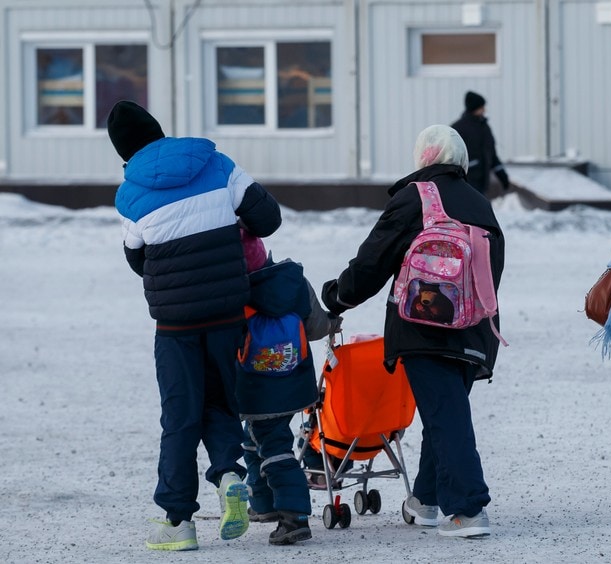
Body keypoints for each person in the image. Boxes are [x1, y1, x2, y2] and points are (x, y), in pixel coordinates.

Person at [108, 100, 282, 551]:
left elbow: (139, 260)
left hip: (175, 324)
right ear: (160, 132)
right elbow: (268, 219)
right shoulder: (217, 163)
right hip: (228, 312)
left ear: (123, 151)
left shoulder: (129, 193)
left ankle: (178, 522)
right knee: (221, 402)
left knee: (181, 415)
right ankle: (228, 475)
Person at [321, 124, 503, 538]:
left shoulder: (415, 198)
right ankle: (425, 500)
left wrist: (337, 298)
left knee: (446, 415)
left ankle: (468, 510)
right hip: (476, 330)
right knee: (445, 411)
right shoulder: (480, 204)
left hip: (425, 327)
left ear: (423, 158)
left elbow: (373, 261)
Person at [236, 232, 335, 545]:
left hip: (253, 390)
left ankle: (294, 516)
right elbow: (316, 327)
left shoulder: (232, 292)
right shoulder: (292, 280)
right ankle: (263, 504)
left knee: (274, 448)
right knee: (257, 439)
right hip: (293, 384)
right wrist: (333, 324)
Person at [451, 91, 510, 196]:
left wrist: (501, 174)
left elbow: (491, 153)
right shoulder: (458, 128)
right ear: (474, 107)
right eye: (482, 107)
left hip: (483, 181)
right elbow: (451, 156)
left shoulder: (484, 127)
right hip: (466, 181)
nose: (484, 110)